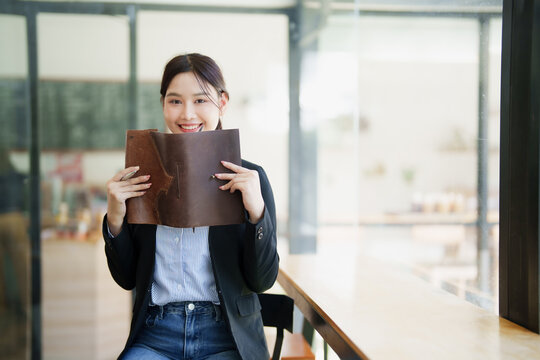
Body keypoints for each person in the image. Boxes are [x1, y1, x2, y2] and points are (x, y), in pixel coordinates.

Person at [103, 53, 279, 360]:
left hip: (227, 335)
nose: (187, 114)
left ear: (222, 102)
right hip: (155, 333)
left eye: (200, 100)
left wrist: (256, 214)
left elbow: (262, 280)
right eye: (175, 101)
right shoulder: (140, 178)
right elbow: (126, 278)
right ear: (163, 105)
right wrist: (115, 219)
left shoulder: (250, 178)